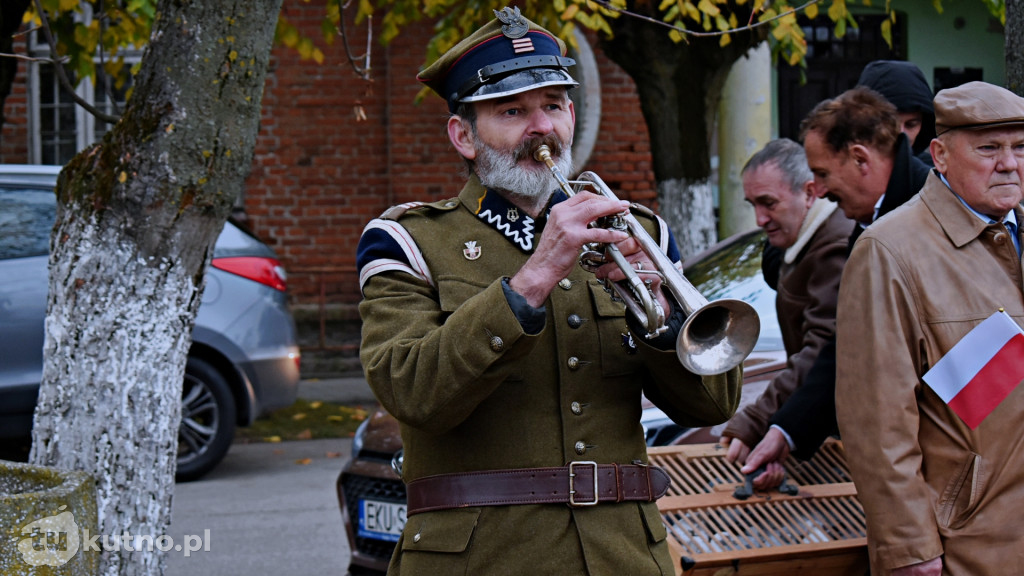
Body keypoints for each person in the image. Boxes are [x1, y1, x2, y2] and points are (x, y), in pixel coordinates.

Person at [355, 8, 742, 575]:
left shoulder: (638, 233)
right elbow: (413, 393)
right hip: (482, 560)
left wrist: (657, 315)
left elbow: (713, 402)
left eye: (554, 106)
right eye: (512, 111)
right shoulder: (406, 241)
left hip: (625, 557)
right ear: (463, 135)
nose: (542, 128)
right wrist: (532, 278)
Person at [835, 81, 1024, 575]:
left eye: (1021, 147)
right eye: (989, 148)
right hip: (966, 545)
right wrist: (908, 548)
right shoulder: (890, 249)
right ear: (939, 154)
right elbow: (876, 421)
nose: (1009, 162)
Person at [740, 86, 930, 488]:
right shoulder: (872, 223)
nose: (820, 191)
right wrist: (786, 430)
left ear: (861, 158)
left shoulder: (929, 216)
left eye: (823, 175)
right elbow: (847, 345)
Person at [718, 139, 852, 469]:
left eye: (768, 203)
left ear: (809, 193)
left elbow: (821, 353)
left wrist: (759, 421)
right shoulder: (808, 242)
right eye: (752, 204)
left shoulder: (833, 245)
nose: (760, 219)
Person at [857, 60, 937, 165]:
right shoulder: (837, 170)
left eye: (911, 125)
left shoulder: (934, 175)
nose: (901, 133)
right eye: (890, 123)